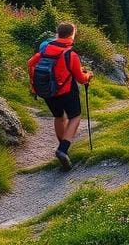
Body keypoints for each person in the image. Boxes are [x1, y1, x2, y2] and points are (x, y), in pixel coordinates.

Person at [27, 21, 93, 170]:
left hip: (47, 92)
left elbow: (30, 63)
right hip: (66, 91)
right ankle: (63, 149)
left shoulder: (46, 49)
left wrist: (32, 83)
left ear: (58, 34)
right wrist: (88, 75)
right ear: (72, 34)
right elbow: (81, 79)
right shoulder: (71, 54)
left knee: (58, 117)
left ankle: (63, 148)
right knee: (75, 117)